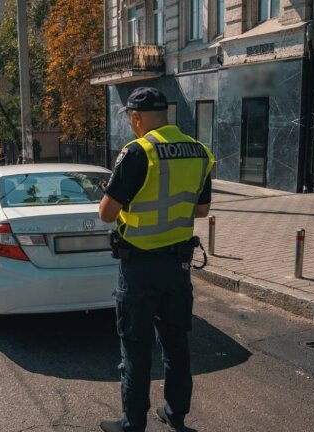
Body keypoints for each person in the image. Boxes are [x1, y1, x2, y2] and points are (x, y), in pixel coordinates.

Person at [98, 87, 214, 432]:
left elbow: (107, 213)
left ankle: (133, 424)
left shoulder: (138, 152)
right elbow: (203, 209)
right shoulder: (199, 151)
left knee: (135, 347)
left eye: (131, 120)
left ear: (136, 118)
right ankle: (175, 414)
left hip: (139, 268)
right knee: (176, 344)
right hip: (178, 265)